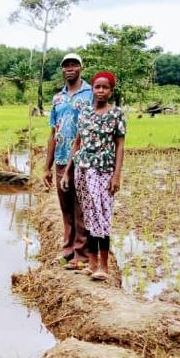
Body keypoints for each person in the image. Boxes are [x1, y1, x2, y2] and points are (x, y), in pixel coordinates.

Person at [61, 71, 126, 281]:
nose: (100, 91)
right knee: (88, 215)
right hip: (83, 170)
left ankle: (104, 267)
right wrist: (68, 171)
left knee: (102, 216)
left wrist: (116, 176)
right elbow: (77, 143)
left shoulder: (116, 114)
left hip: (104, 171)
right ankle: (92, 263)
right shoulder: (85, 113)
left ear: (111, 91)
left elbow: (120, 146)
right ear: (93, 90)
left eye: (104, 87)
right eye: (97, 87)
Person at [43, 53, 93, 267]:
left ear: (81, 68)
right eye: (66, 66)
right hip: (62, 159)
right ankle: (67, 249)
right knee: (65, 208)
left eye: (74, 65)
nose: (69, 69)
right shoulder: (58, 98)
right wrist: (47, 166)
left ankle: (81, 254)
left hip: (84, 160)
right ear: (62, 70)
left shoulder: (91, 93)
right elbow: (53, 133)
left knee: (80, 206)